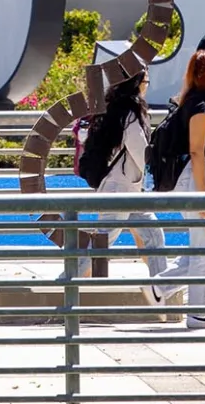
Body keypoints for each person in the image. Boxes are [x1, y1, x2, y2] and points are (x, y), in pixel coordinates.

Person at [149, 50, 205, 329]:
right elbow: (196, 152)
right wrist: (204, 195)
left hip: (197, 177)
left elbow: (201, 148)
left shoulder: (195, 101)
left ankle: (162, 286)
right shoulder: (200, 106)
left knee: (203, 246)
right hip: (197, 179)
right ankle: (198, 313)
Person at [75, 72, 167, 279]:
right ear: (136, 84)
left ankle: (162, 291)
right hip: (121, 191)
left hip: (127, 189)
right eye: (146, 82)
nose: (147, 86)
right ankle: (65, 285)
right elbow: (141, 153)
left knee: (153, 235)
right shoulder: (130, 114)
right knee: (101, 244)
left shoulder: (117, 109)